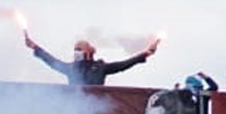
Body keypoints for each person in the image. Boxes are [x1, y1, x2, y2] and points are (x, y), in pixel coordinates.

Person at [26, 30, 160, 85]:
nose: (76, 52)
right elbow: (51, 61)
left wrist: (146, 53)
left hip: (96, 108)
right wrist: (35, 47)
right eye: (75, 50)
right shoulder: (71, 68)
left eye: (79, 49)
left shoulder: (100, 67)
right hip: (75, 107)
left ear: (88, 52)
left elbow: (124, 64)